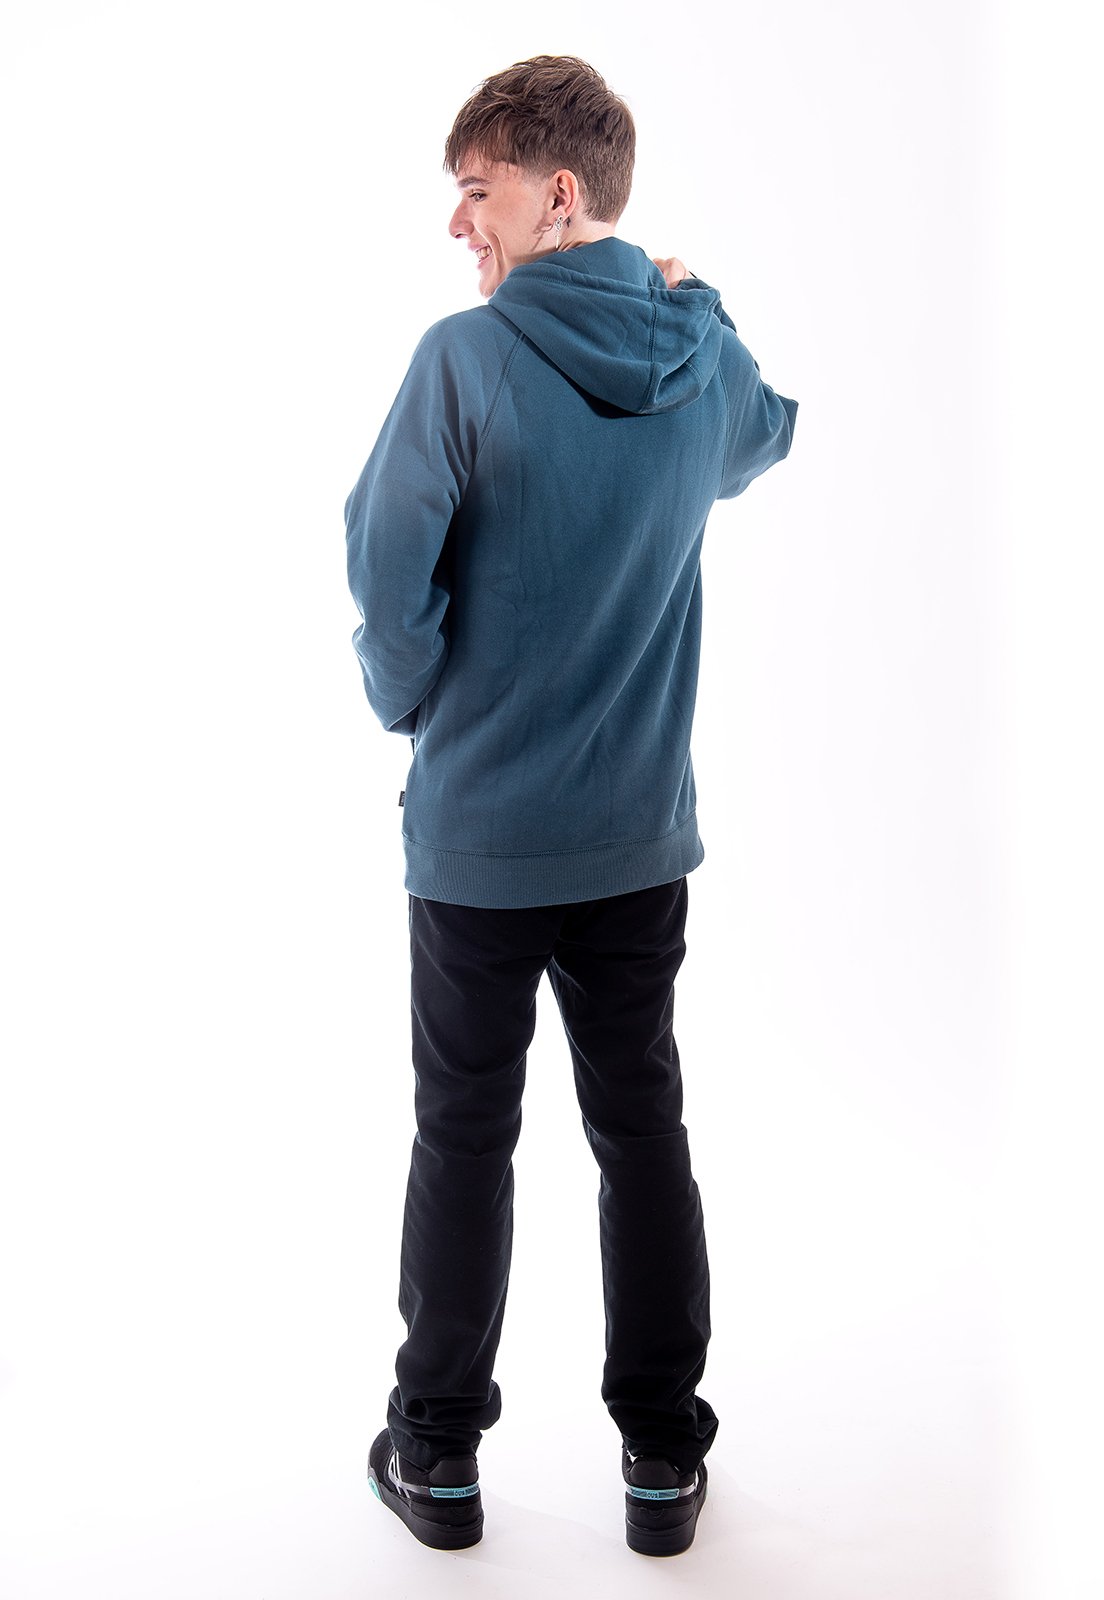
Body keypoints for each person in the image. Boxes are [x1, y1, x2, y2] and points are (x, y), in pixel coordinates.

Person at [344, 54, 797, 1557]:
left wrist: (410, 701)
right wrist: (698, 300)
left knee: (464, 1137)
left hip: (479, 840)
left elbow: (383, 570)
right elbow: (767, 432)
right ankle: (663, 1461)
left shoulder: (462, 363)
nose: (456, 224)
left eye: (474, 191)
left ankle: (436, 1457)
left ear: (555, 194)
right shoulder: (694, 358)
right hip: (633, 838)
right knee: (641, 1127)